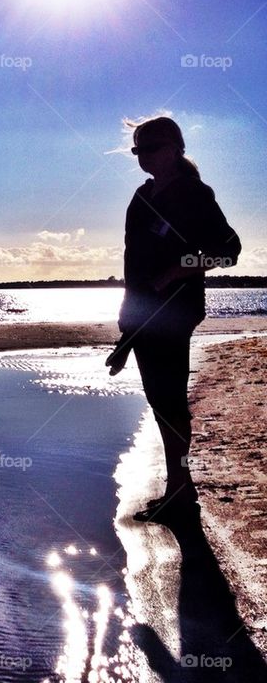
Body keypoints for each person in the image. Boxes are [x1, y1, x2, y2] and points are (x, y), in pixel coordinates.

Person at [111, 115, 241, 522]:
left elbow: (229, 250)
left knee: (170, 405)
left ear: (174, 148)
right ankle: (179, 489)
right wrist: (126, 325)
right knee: (160, 403)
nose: (142, 157)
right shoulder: (141, 196)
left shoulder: (194, 194)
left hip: (175, 313)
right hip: (141, 315)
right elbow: (133, 263)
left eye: (149, 148)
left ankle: (182, 493)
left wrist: (179, 269)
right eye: (137, 150)